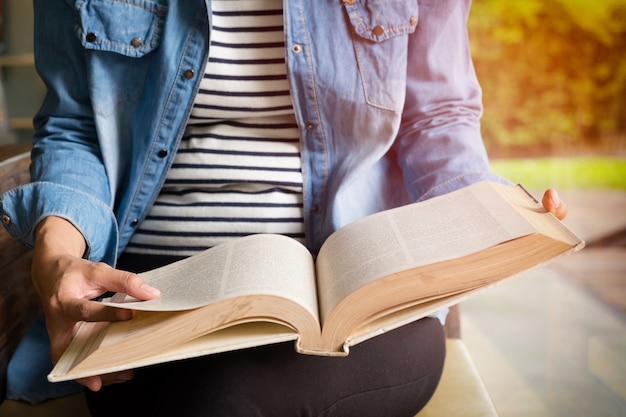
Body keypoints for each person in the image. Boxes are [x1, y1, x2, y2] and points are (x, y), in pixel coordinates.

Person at [1, 0, 567, 416]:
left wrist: (483, 211)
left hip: (355, 294)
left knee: (228, 401)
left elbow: (438, 115)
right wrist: (57, 254)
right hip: (152, 294)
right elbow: (74, 125)